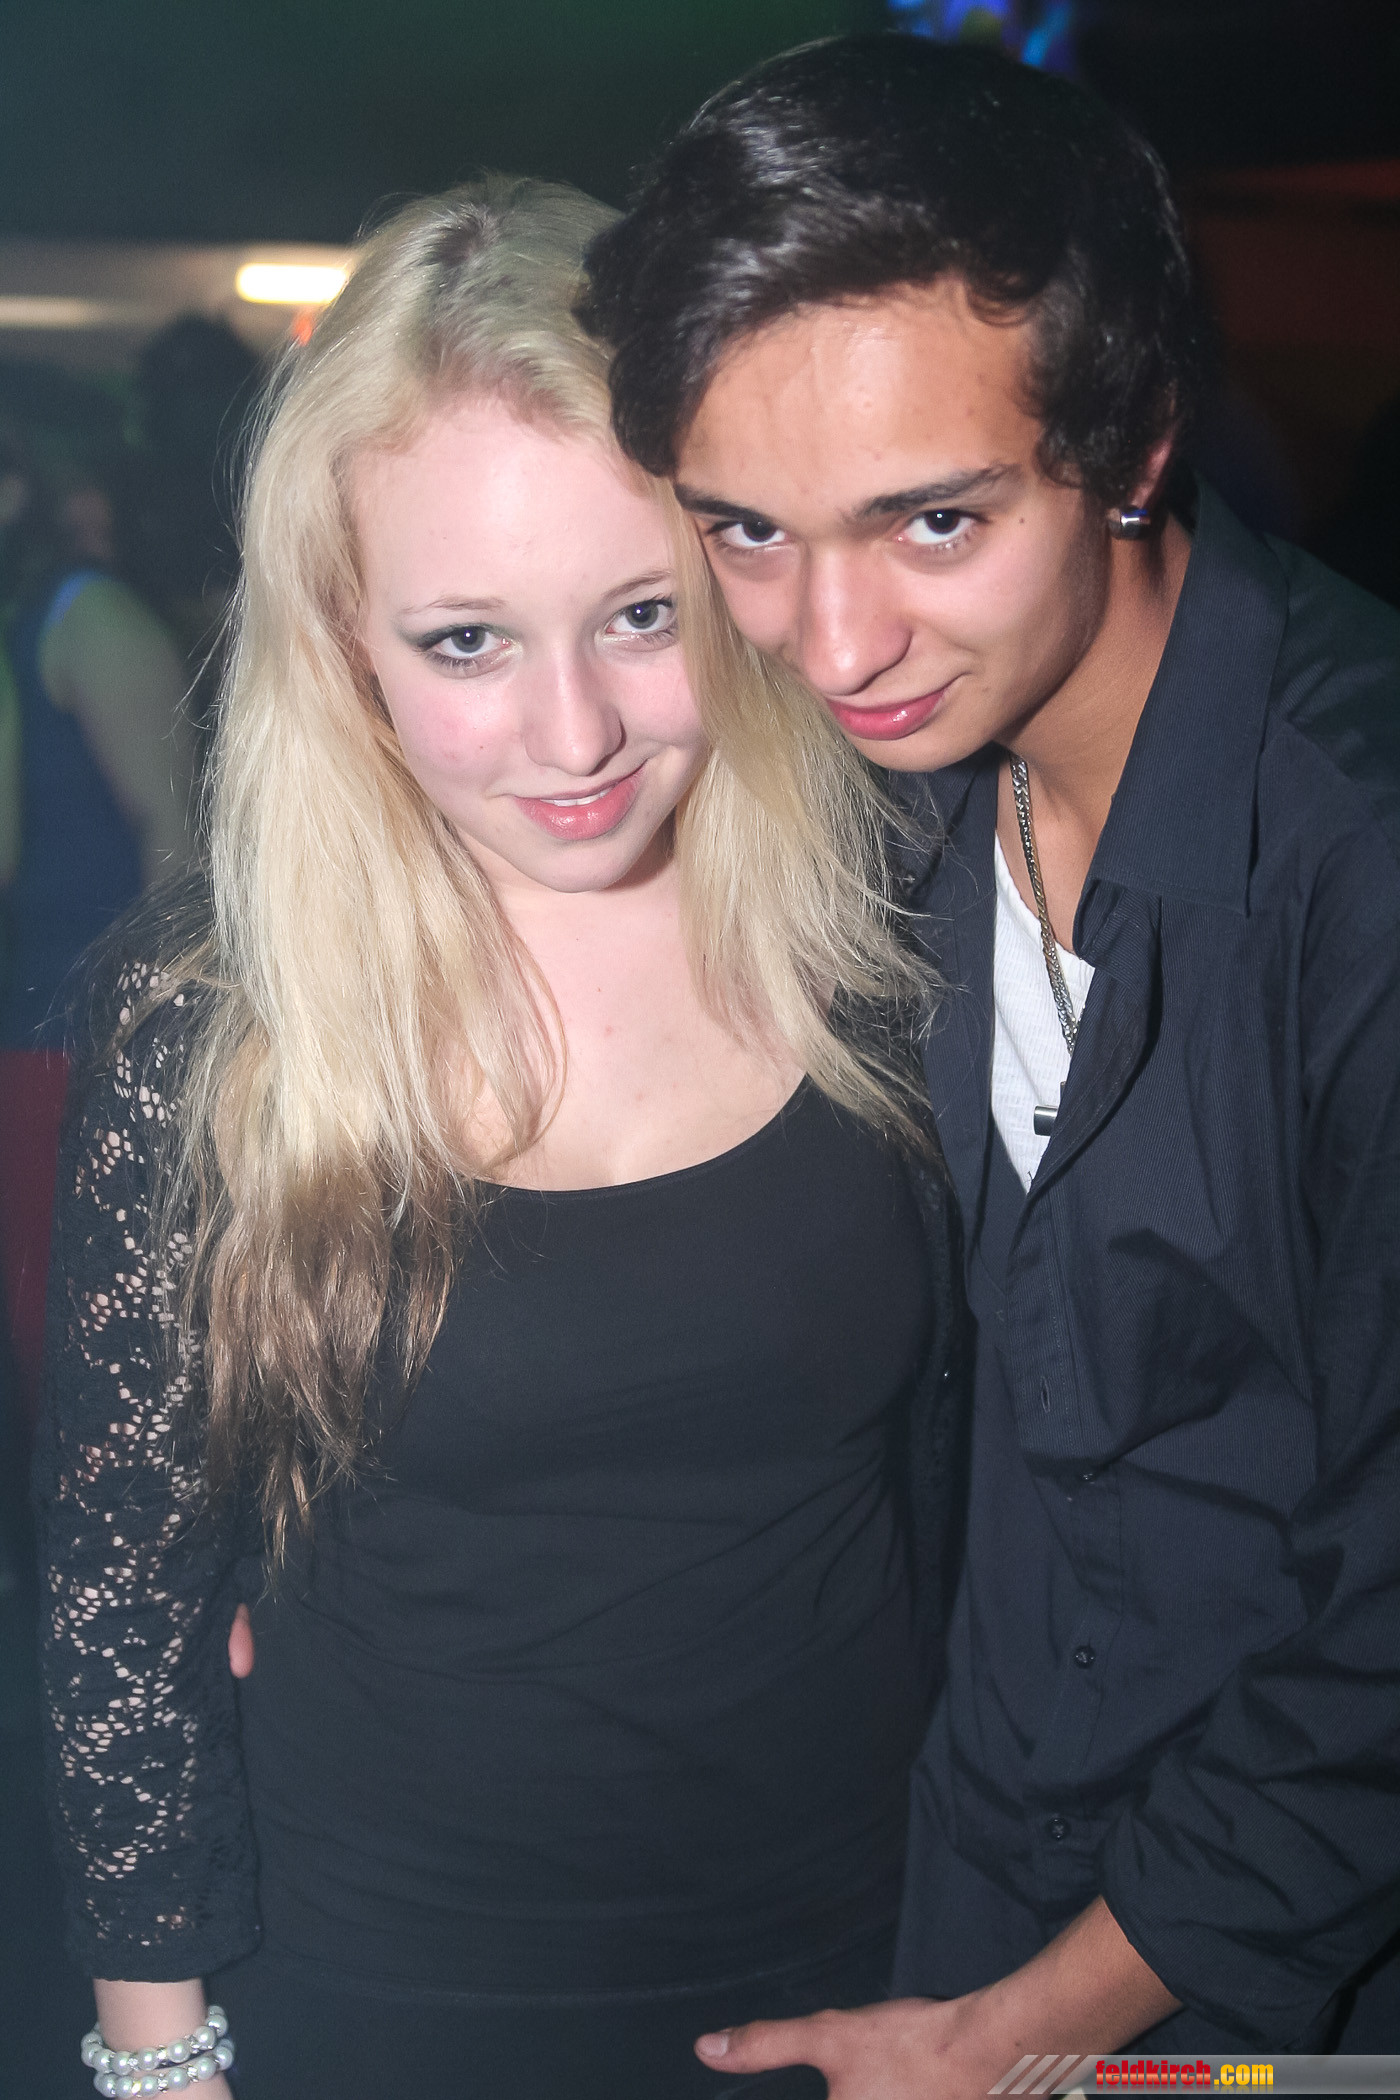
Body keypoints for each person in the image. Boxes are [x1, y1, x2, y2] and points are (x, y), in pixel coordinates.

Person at [35, 178, 965, 2100]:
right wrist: (160, 2056)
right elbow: (121, 1599)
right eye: (467, 640)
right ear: (343, 643)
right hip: (391, 1996)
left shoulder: (900, 920)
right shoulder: (215, 1018)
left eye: (640, 615)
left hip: (880, 1961)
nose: (576, 733)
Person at [580, 32, 1400, 2091]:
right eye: (746, 533)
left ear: (1132, 444)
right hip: (967, 1867)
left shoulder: (1362, 867)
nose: (831, 639)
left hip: (1280, 1994)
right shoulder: (899, 798)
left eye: (930, 522)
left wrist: (1024, 2036)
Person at [0, 433, 192, 1440]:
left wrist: (148, 1040)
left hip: (82, 1035)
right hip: (31, 1023)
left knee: (82, 1336)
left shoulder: (90, 616)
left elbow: (175, 836)